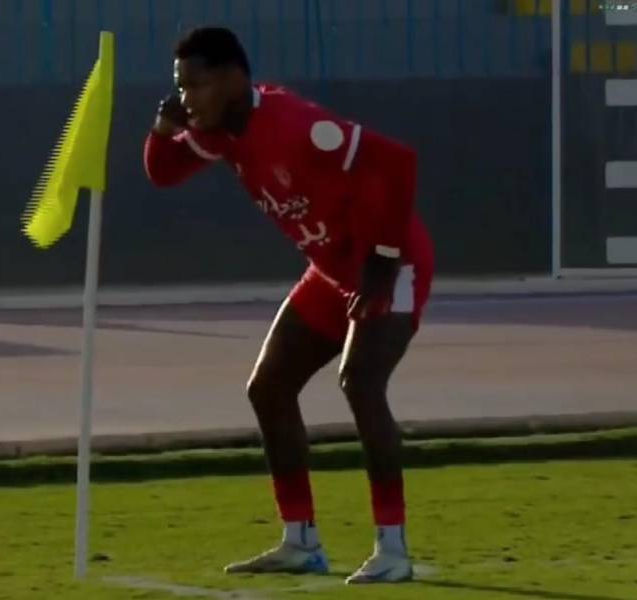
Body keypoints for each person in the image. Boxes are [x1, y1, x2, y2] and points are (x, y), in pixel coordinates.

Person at [143, 26, 434, 585]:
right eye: (179, 87)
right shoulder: (221, 132)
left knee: (361, 383)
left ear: (233, 80)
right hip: (331, 272)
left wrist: (383, 257)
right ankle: (300, 542)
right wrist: (163, 128)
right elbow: (162, 172)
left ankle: (393, 549)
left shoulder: (296, 125)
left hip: (391, 267)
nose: (186, 98)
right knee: (268, 387)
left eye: (195, 85)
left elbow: (397, 162)